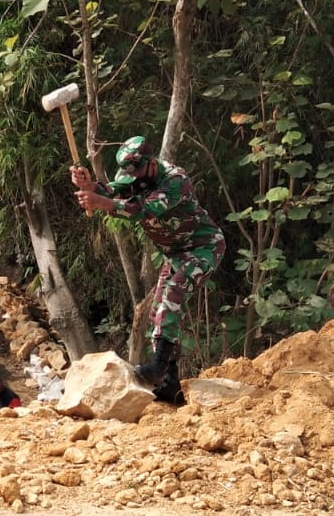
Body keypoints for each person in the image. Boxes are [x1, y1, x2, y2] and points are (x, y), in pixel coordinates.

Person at [71, 136, 226, 400]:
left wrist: (101, 203)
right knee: (158, 313)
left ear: (151, 163)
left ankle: (157, 368)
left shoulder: (175, 180)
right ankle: (170, 384)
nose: (136, 180)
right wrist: (91, 187)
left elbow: (146, 209)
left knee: (173, 294)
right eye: (131, 175)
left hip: (203, 248)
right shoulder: (133, 176)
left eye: (140, 173)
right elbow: (113, 190)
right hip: (175, 255)